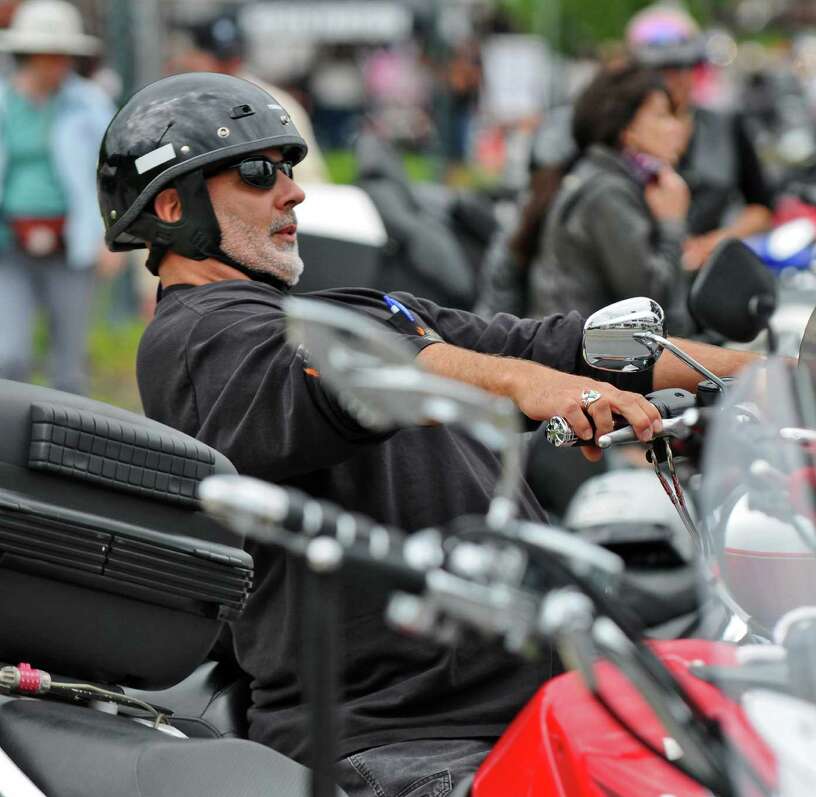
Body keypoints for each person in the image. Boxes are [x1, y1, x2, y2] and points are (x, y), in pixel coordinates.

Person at [97, 71, 757, 797]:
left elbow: (552, 344)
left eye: (289, 168)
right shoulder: (199, 337)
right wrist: (521, 385)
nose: (294, 192)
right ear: (170, 204)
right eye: (258, 173)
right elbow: (335, 374)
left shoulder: (352, 310)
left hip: (535, 701)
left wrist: (766, 368)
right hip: (404, 742)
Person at [0, 0, 117, 396]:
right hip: (9, 245)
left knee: (68, 368)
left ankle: (65, 450)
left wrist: (111, 238)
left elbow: (111, 173)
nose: (58, 64)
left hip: (71, 243)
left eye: (64, 56)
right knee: (8, 356)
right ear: (27, 55)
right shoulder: (2, 103)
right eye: (49, 55)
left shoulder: (89, 103)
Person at [522, 64, 692, 330]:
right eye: (662, 116)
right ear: (627, 129)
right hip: (587, 360)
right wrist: (672, 224)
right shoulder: (608, 192)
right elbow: (649, 304)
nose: (676, 128)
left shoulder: (608, 178)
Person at [625, 3, 773, 269]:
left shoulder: (725, 124)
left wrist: (718, 241)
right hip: (642, 271)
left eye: (684, 66)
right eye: (662, 70)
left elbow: (761, 206)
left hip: (709, 272)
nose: (674, 80)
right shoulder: (622, 131)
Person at [172, 9, 330, 185]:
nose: (183, 59)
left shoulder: (273, 103)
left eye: (228, 58)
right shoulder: (183, 102)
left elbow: (310, 184)